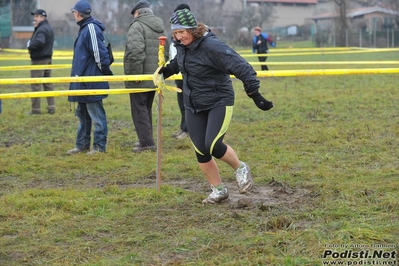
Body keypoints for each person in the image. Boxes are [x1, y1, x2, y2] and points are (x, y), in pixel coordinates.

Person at [157, 9, 273, 204]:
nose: (178, 37)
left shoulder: (212, 46)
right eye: (175, 33)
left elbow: (242, 67)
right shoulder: (182, 46)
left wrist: (255, 94)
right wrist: (165, 71)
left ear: (193, 30)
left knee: (213, 144)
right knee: (201, 150)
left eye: (182, 32)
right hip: (193, 104)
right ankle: (218, 190)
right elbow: (181, 63)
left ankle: (240, 168)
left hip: (218, 100)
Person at [67, 0, 113, 155]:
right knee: (83, 115)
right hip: (82, 82)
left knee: (97, 116)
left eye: (74, 12)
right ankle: (82, 145)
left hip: (91, 82)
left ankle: (99, 147)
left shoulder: (91, 28)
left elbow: (100, 55)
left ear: (78, 13)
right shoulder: (84, 29)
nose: (74, 15)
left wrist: (102, 74)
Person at [124, 0, 169, 153]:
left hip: (140, 76)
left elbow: (135, 52)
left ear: (137, 13)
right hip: (154, 76)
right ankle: (146, 140)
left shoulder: (137, 26)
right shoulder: (160, 27)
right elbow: (166, 51)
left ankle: (147, 143)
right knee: (146, 109)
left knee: (139, 110)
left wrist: (135, 74)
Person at [27, 9, 55, 115]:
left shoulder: (41, 29)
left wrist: (30, 46)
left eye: (37, 16)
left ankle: (36, 109)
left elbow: (39, 41)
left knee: (36, 85)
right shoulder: (48, 28)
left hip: (39, 60)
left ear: (43, 17)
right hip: (48, 59)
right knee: (48, 84)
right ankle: (51, 107)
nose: (35, 18)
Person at [169, 3, 190, 140]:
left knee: (187, 104)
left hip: (187, 74)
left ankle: (188, 131)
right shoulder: (175, 35)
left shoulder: (188, 35)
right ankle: (184, 128)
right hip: (178, 73)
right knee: (182, 103)